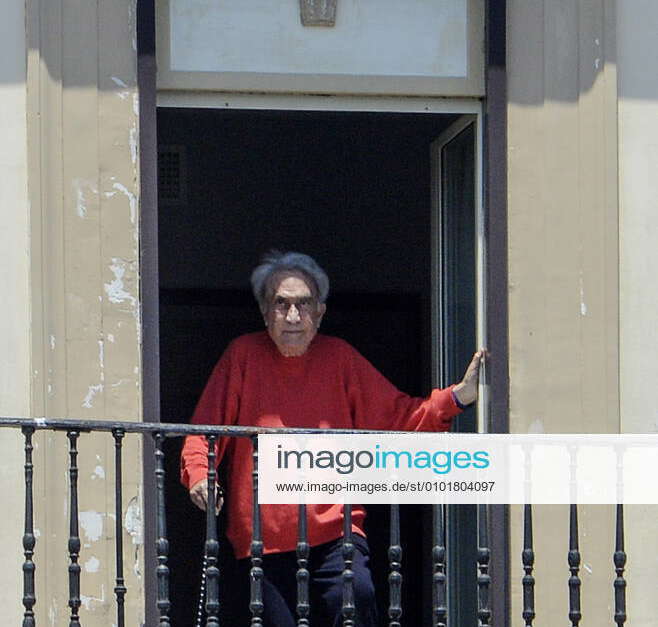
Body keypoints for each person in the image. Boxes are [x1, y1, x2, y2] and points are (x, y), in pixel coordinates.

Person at [180, 251, 483, 627]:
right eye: (281, 304)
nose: (293, 316)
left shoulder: (339, 358)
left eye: (303, 304)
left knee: (357, 597)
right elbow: (207, 428)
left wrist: (457, 398)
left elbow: (397, 416)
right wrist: (198, 473)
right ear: (264, 312)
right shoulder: (243, 355)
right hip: (263, 540)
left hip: (334, 530)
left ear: (319, 313)